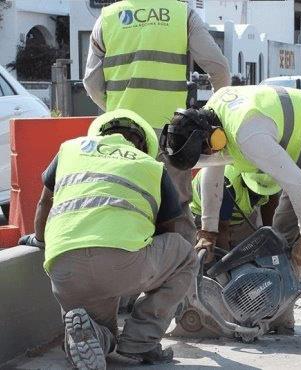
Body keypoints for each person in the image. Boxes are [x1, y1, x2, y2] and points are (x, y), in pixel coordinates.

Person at [160, 85, 301, 334]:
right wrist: (208, 230)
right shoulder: (212, 117)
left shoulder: (248, 134)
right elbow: (213, 171)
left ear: (213, 138)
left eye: (205, 152)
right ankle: (279, 319)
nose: (208, 156)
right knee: (279, 237)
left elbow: (299, 185)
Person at [18, 110, 197, 370]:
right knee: (185, 255)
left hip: (64, 268)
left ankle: (92, 336)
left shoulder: (69, 150)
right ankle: (140, 342)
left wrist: (40, 239)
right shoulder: (151, 167)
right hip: (121, 265)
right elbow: (170, 231)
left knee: (100, 332)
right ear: (143, 144)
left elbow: (45, 201)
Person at [83, 0, 231, 244]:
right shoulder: (182, 14)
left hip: (120, 136)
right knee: (175, 210)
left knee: (123, 208)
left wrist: (115, 110)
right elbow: (219, 68)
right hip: (171, 137)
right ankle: (181, 275)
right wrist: (212, 116)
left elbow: (91, 82)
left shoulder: (108, 17)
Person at [190, 165, 280, 254]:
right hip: (206, 218)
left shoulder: (269, 175)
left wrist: (269, 238)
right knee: (210, 258)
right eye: (257, 191)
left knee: (251, 255)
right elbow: (221, 228)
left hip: (240, 216)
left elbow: (270, 202)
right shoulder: (226, 185)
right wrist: (226, 264)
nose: (260, 195)